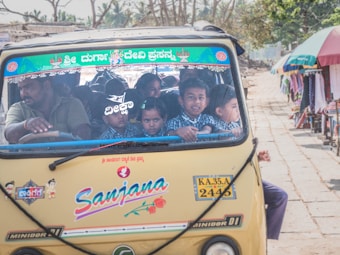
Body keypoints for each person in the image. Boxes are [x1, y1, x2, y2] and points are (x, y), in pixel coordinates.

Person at [5, 76, 91, 143]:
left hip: (68, 161)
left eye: (28, 87)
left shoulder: (72, 104)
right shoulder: (18, 108)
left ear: (46, 85)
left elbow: (83, 138)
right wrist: (26, 124)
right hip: (28, 162)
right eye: (20, 89)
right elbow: (9, 135)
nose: (23, 94)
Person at [166, 77, 215, 142]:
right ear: (181, 100)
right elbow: (169, 134)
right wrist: (177, 132)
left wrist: (194, 134)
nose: (197, 101)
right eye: (191, 97)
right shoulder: (173, 122)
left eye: (201, 97)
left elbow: (207, 130)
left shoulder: (207, 118)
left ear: (206, 102)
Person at [258, 150, 288, 240]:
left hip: (248, 177)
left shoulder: (241, 136)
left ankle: (265, 236)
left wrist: (258, 158)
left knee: (280, 196)